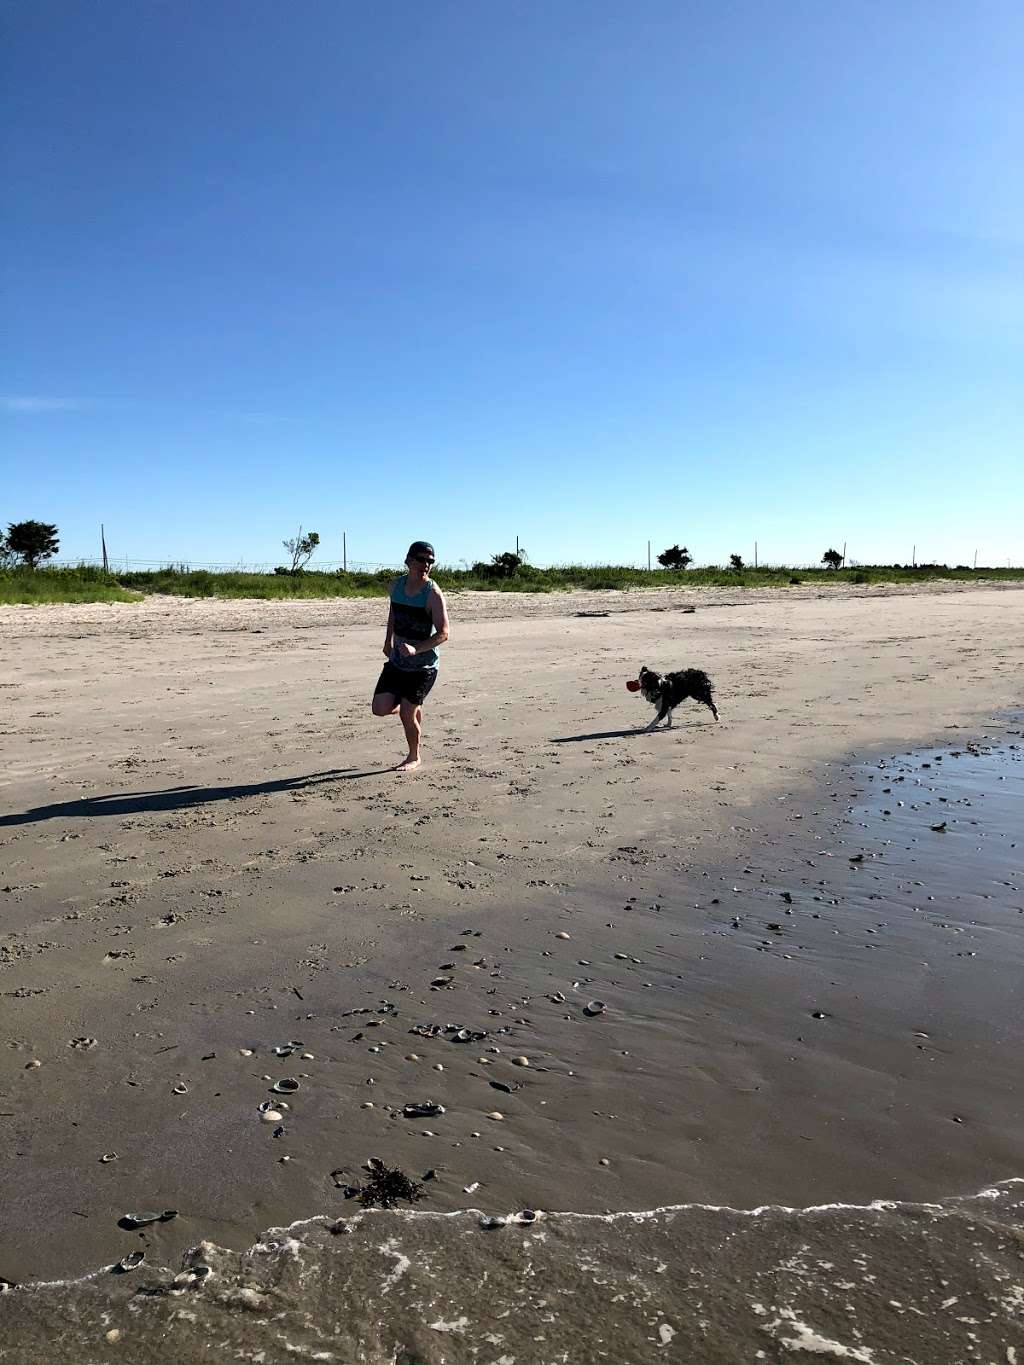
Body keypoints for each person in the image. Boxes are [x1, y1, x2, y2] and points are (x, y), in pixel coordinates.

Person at [371, 541, 450, 772]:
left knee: (407, 712)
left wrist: (417, 649)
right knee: (379, 708)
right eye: (421, 559)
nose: (426, 565)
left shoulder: (432, 594)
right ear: (408, 561)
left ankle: (414, 756)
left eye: (430, 561)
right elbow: (393, 614)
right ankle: (410, 706)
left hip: (423, 666)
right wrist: (388, 641)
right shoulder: (395, 586)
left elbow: (444, 633)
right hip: (398, 661)